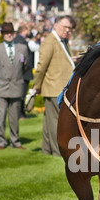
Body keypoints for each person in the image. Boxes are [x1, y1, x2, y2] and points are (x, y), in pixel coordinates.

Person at [33, 15, 76, 156]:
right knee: (56, 123)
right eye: (64, 27)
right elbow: (41, 66)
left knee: (49, 121)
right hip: (53, 88)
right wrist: (36, 86)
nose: (67, 30)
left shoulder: (62, 41)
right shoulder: (49, 41)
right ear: (56, 25)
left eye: (69, 28)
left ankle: (46, 149)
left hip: (59, 88)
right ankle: (57, 151)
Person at [0, 22, 31, 150]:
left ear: (14, 33)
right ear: (2, 34)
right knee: (0, 118)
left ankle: (15, 141)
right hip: (0, 88)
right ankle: (1, 141)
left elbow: (26, 66)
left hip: (17, 86)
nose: (9, 34)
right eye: (6, 32)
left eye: (10, 32)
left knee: (14, 118)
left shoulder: (22, 48)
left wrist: (16, 76)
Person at [14, 24, 33, 118]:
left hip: (24, 72)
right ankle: (19, 113)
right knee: (21, 93)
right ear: (25, 30)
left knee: (22, 93)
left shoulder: (21, 40)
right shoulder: (19, 40)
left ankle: (21, 113)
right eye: (28, 29)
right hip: (23, 72)